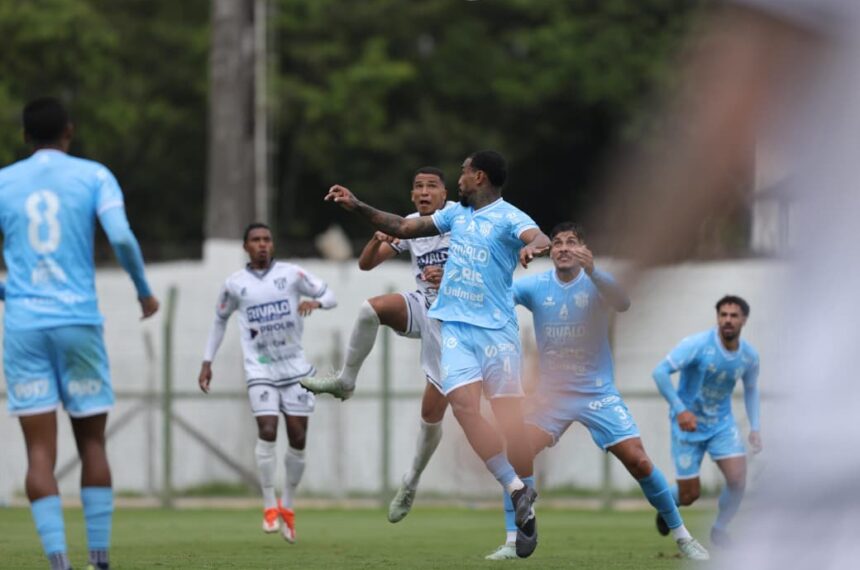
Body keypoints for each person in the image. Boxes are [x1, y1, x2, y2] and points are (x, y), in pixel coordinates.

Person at [325, 150, 550, 558]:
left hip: (497, 334)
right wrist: (357, 205)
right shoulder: (453, 216)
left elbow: (538, 236)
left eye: (463, 172)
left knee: (511, 428)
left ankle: (519, 523)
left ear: (478, 177)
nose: (458, 178)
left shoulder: (508, 216)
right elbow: (400, 226)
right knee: (463, 409)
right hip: (456, 331)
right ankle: (518, 490)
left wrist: (533, 247)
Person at [484, 222, 709, 561]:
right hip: (551, 397)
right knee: (516, 452)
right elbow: (498, 295)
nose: (561, 248)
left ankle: (683, 537)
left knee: (640, 461)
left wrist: (593, 270)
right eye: (556, 243)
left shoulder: (597, 282)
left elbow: (623, 303)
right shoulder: (537, 287)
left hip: (597, 394)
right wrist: (492, 267)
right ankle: (516, 539)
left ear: (583, 250)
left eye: (570, 242)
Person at [0, 97, 159, 570]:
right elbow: (124, 237)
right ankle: (99, 560)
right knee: (92, 443)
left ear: (25, 137)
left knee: (39, 454)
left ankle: (58, 563)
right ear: (69, 131)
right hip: (78, 321)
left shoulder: (4, 182)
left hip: (24, 326)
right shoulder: (94, 176)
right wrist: (143, 292)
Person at [303, 167, 452, 523]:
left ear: (446, 195)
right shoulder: (410, 224)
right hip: (424, 308)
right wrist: (375, 239)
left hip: (457, 323)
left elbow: (484, 269)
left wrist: (450, 275)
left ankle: (411, 480)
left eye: (432, 186)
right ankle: (345, 380)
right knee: (372, 308)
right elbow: (366, 264)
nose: (424, 191)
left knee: (431, 418)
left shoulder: (459, 223)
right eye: (418, 186)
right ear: (412, 195)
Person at [198, 223, 336, 543]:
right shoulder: (234, 285)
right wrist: (207, 361)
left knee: (298, 436)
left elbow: (329, 295)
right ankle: (268, 505)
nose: (262, 244)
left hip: (296, 370)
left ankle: (287, 505)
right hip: (259, 369)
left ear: (272, 244)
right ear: (246, 247)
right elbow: (219, 320)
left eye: (266, 239)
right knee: (268, 430)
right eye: (255, 240)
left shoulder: (292, 274)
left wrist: (315, 303)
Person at [652, 295, 759, 547]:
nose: (727, 320)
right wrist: (680, 410)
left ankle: (720, 529)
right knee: (690, 494)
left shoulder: (749, 356)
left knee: (737, 479)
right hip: (687, 424)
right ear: (717, 318)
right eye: (723, 315)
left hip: (721, 424)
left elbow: (751, 390)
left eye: (733, 316)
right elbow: (660, 372)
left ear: (743, 320)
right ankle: (668, 504)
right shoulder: (698, 345)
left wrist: (755, 427)